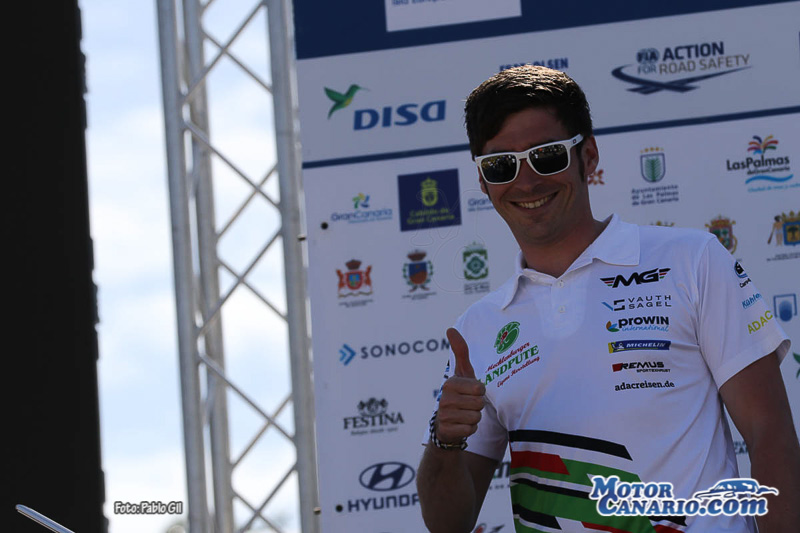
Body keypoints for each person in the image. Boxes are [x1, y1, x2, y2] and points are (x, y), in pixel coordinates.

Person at [416, 65, 800, 533]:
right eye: (502, 165)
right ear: (483, 181)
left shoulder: (692, 260)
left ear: (589, 156)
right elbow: (447, 524)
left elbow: (770, 433)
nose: (527, 181)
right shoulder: (478, 328)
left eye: (547, 156)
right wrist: (446, 439)